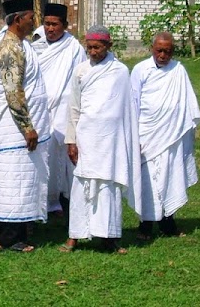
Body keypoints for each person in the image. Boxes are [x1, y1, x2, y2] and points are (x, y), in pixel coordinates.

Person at [61, 26, 139, 254]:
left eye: (97, 47)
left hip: (110, 141)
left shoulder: (120, 71)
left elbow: (127, 109)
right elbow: (74, 107)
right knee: (81, 185)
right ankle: (75, 236)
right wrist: (71, 140)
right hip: (86, 138)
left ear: (108, 46)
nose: (93, 52)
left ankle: (109, 238)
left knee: (108, 186)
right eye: (90, 48)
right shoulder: (81, 71)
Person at [0, 0, 50, 252]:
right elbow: (13, 91)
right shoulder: (9, 48)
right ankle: (9, 238)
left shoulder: (23, 45)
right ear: (17, 19)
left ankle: (22, 232)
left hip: (23, 127)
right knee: (14, 181)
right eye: (30, 18)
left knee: (25, 180)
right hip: (14, 128)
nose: (34, 22)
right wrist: (27, 127)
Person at [130, 32, 200, 240]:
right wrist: (134, 136)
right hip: (147, 134)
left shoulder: (178, 70)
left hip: (171, 135)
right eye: (159, 51)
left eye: (167, 52)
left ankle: (168, 222)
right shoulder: (140, 69)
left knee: (170, 175)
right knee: (148, 180)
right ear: (152, 49)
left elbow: (188, 103)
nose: (163, 55)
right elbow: (133, 103)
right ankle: (145, 224)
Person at [33, 3, 87, 214]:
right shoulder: (36, 47)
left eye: (54, 24)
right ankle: (42, 200)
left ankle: (62, 200)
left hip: (65, 109)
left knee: (63, 156)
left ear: (65, 25)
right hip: (40, 109)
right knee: (42, 154)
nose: (50, 29)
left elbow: (80, 78)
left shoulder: (74, 48)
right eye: (47, 24)